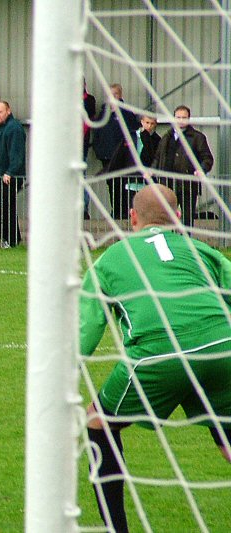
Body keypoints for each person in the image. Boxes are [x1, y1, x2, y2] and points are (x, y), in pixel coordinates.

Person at [80, 184, 231, 532]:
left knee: (96, 422)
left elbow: (86, 326)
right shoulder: (200, 249)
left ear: (132, 218)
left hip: (157, 354)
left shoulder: (112, 257)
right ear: (178, 218)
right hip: (221, 345)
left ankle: (116, 529)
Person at [152, 105, 214, 227]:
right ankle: (169, 241)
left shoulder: (197, 138)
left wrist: (201, 169)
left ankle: (185, 241)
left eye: (184, 118)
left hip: (188, 184)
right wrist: (151, 171)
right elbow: (158, 157)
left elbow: (207, 158)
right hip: (167, 183)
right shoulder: (166, 137)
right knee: (166, 216)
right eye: (178, 117)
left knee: (187, 217)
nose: (180, 120)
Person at [92, 83, 139, 217]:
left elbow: (134, 131)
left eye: (115, 94)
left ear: (120, 95)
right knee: (111, 184)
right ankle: (115, 211)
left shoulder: (126, 113)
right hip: (106, 156)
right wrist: (99, 150)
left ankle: (124, 212)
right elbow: (97, 133)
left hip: (122, 157)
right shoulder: (103, 114)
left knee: (123, 184)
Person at [104, 113, 161, 217]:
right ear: (142, 122)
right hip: (131, 180)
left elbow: (156, 158)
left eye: (152, 124)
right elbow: (120, 156)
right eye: (147, 123)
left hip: (148, 180)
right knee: (132, 210)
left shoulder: (156, 140)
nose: (149, 126)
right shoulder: (132, 137)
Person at [0, 100, 26, 248]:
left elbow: (17, 153)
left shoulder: (14, 128)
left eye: (0, 112)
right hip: (0, 175)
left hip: (8, 177)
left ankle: (10, 239)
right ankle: (9, 238)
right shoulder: (2, 128)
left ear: (8, 111)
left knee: (7, 209)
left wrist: (10, 172)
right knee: (2, 208)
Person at [82, 81, 97, 219]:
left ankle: (84, 209)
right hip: (67, 146)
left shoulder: (89, 100)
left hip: (81, 145)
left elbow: (88, 122)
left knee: (81, 176)